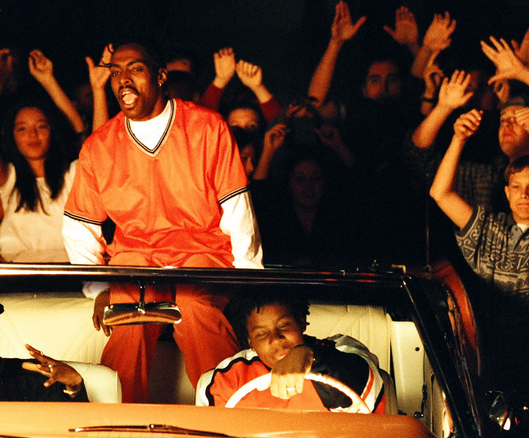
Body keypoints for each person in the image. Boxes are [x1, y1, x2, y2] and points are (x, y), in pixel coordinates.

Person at [62, 40, 263, 402]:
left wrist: (247, 279)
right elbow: (80, 224)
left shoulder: (207, 127)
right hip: (136, 259)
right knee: (128, 312)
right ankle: (119, 424)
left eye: (135, 69)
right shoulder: (99, 145)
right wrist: (96, 288)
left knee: (194, 304)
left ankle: (230, 413)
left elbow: (238, 209)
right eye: (115, 72)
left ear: (159, 76)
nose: (123, 80)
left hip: (205, 253)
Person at [429, 102, 529, 394]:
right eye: (518, 187)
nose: (526, 195)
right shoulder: (490, 227)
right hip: (490, 353)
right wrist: (458, 138)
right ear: (507, 192)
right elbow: (440, 193)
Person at [0, 46, 79, 262]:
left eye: (41, 126)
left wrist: (49, 81)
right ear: (12, 136)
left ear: (52, 131)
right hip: (18, 276)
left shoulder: (70, 175)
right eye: (22, 128)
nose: (32, 134)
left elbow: (84, 136)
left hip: (66, 277)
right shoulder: (10, 177)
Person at [202, 290, 385, 412]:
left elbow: (361, 383)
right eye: (262, 334)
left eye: (283, 325)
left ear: (301, 322)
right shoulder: (230, 376)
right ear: (250, 342)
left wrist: (307, 355)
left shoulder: (342, 349)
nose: (275, 338)